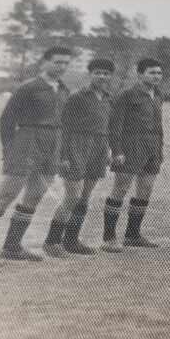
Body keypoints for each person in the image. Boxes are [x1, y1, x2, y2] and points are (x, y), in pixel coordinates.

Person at [0, 46, 72, 265]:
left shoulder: (64, 89)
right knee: (6, 195)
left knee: (35, 195)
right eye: (57, 62)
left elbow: (63, 123)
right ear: (44, 62)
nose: (62, 66)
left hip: (52, 145)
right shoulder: (29, 87)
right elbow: (7, 120)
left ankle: (11, 247)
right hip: (27, 141)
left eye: (66, 63)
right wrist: (10, 149)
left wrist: (61, 151)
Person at [42, 58, 115, 258]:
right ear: (90, 74)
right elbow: (63, 127)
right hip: (77, 147)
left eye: (106, 73)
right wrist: (63, 155)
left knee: (84, 197)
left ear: (111, 76)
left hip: (98, 149)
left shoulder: (109, 98)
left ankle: (71, 240)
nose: (102, 76)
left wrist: (108, 150)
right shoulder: (77, 97)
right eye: (98, 72)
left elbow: (107, 128)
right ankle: (52, 241)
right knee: (72, 196)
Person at [102, 58, 165, 251]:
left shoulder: (158, 94)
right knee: (120, 189)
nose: (156, 76)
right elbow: (115, 125)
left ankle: (132, 234)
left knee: (145, 189)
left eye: (159, 73)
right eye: (151, 73)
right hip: (131, 146)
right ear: (140, 74)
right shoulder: (127, 95)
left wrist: (159, 150)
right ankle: (109, 238)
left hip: (152, 147)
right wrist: (117, 150)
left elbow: (158, 126)